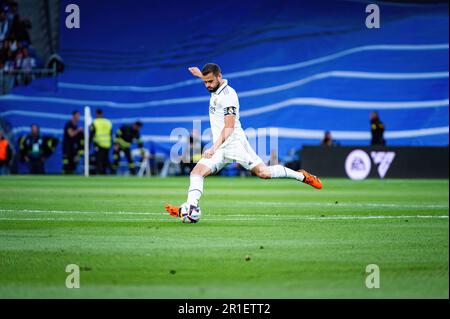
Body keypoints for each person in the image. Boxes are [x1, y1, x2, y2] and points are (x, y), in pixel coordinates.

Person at [165, 63, 322, 217]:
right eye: (205, 82)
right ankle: (190, 207)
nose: (207, 85)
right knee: (196, 172)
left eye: (210, 81)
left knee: (264, 173)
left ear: (220, 77)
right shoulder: (214, 86)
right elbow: (210, 81)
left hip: (235, 144)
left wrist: (213, 148)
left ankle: (302, 176)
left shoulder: (228, 96)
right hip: (220, 148)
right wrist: (201, 75)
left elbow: (229, 127)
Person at [90, 109, 112, 175]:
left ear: (96, 113)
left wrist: (88, 143)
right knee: (106, 159)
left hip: (98, 143)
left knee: (99, 160)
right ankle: (108, 172)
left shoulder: (95, 122)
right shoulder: (108, 122)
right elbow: (110, 133)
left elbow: (92, 134)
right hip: (107, 144)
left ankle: (101, 173)